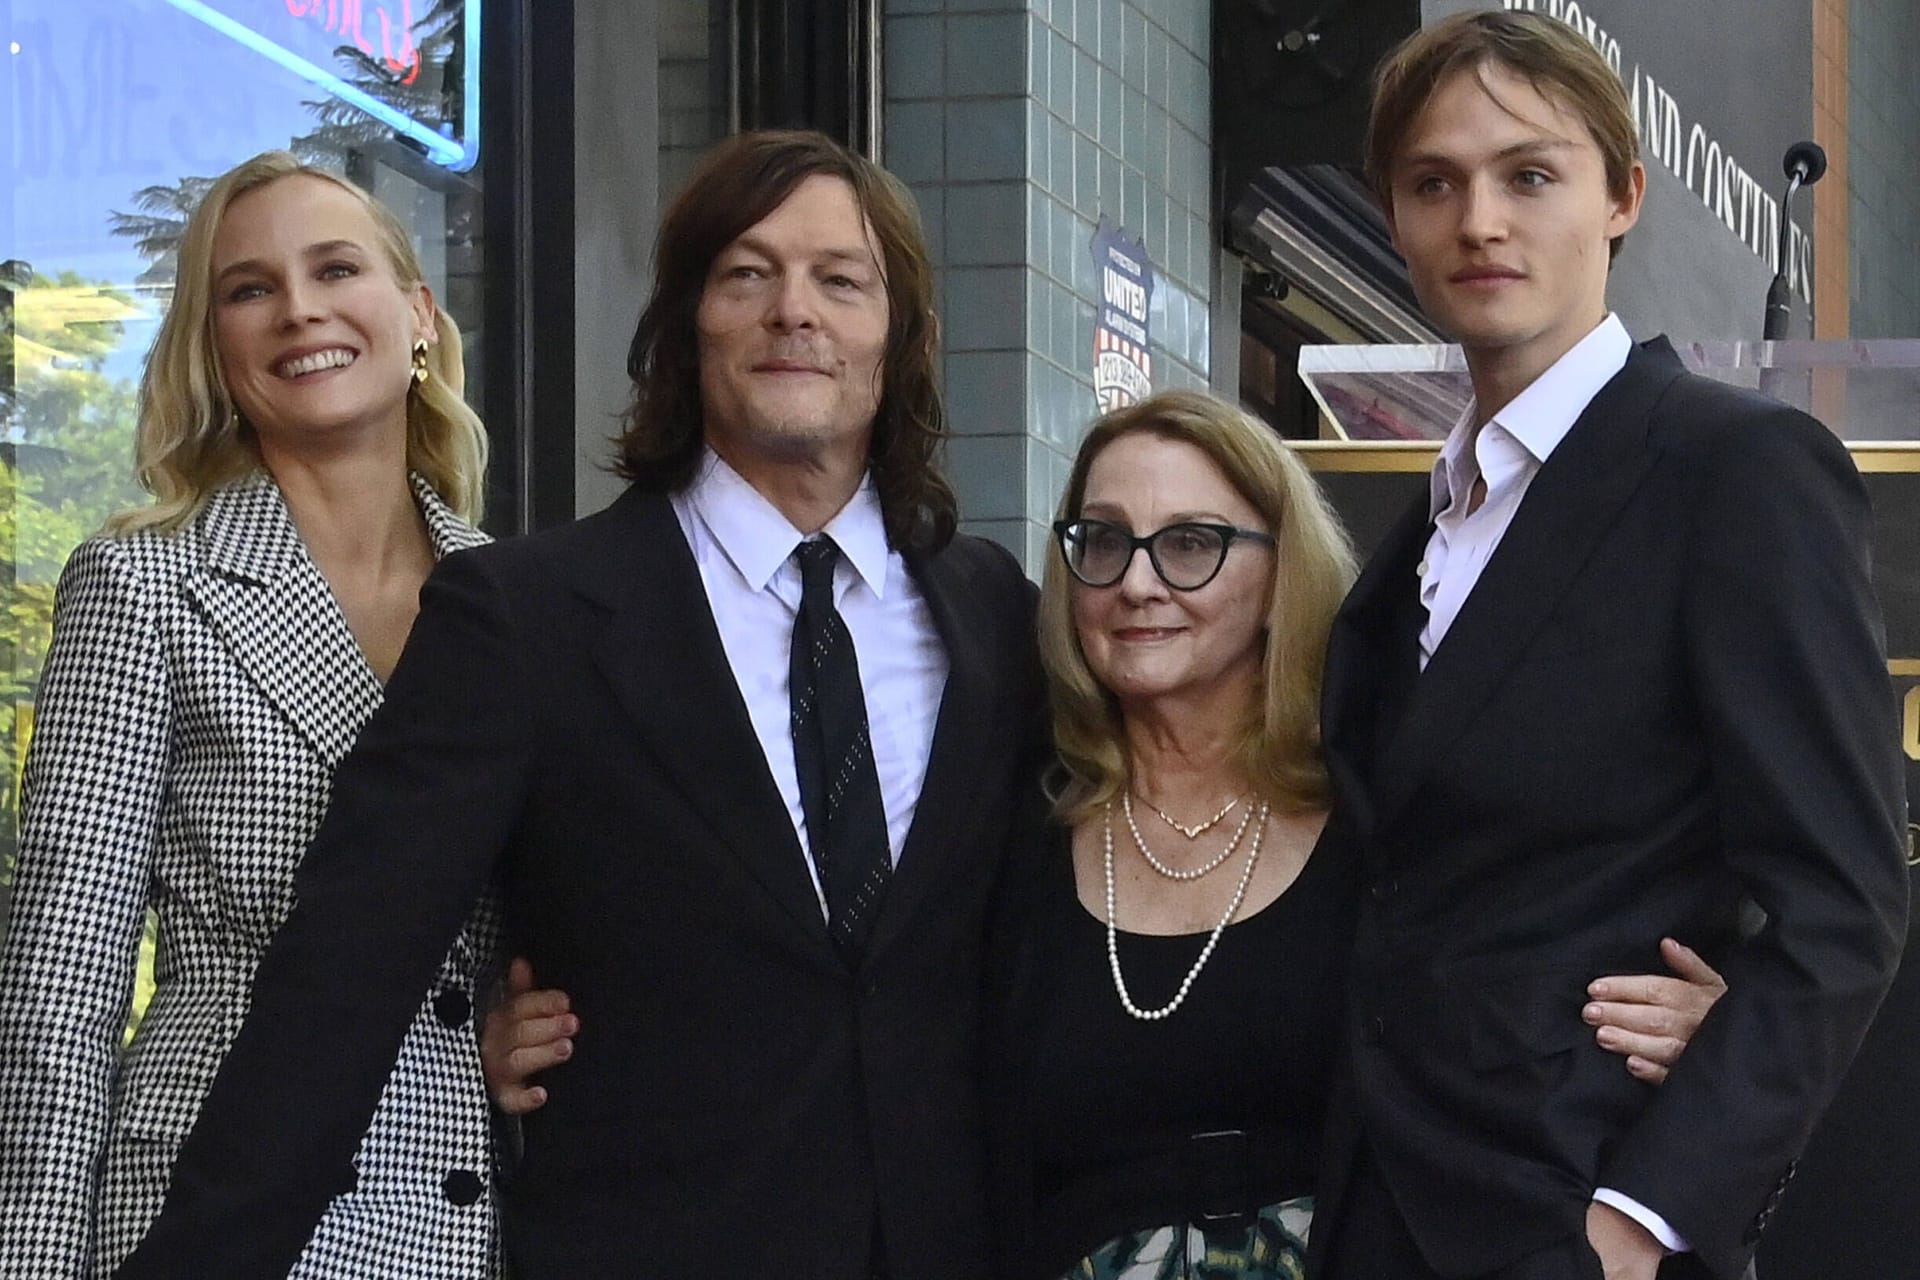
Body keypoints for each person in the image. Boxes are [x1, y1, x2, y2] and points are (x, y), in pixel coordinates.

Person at [485, 389, 1728, 1280]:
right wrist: (514, 1021)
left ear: (1279, 569)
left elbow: (1535, 962)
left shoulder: (1386, 814)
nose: (1138, 579)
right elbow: (802, 974)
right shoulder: (1002, 811)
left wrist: (1698, 1026)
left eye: (1192, 543)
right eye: (1102, 541)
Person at [114, 129, 1046, 1279]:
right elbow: (336, 990)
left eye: (841, 280)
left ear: (904, 336)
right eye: (745, 274)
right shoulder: (523, 617)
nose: (792, 311)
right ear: (680, 327)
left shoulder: (996, 617)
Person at [1310, 12, 1909, 1280]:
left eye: (1530, 174)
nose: (1481, 220)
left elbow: (1843, 901)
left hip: (1577, 1211)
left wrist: (1641, 1219)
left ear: (1624, 196)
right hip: (1376, 1209)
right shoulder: (1424, 529)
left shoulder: (1735, 472)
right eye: (1436, 183)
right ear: (1392, 216)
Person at [0, 151, 500, 1277]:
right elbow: (61, 987)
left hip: (469, 1208)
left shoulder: (515, 599)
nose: (300, 310)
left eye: (335, 268)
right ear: (216, 349)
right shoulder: (142, 583)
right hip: (214, 1206)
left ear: (417, 316)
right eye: (249, 288)